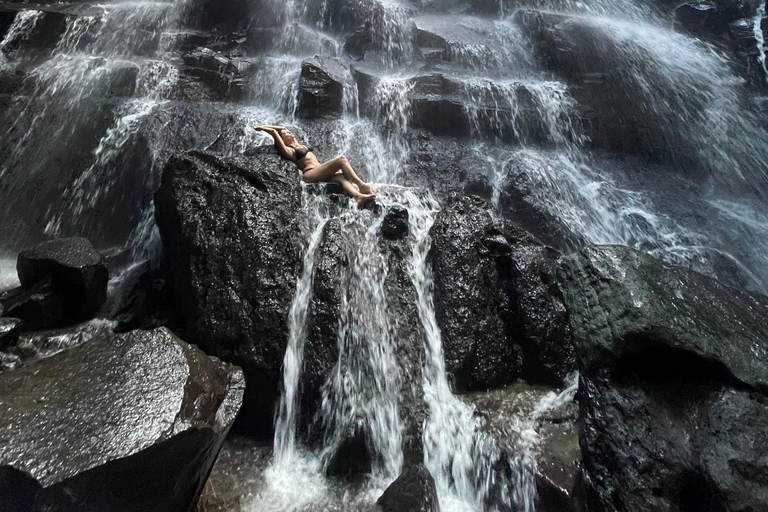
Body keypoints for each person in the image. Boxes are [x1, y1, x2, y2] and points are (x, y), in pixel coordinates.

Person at [253, 125, 377, 207]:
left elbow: (281, 128)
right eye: (286, 133)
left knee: (340, 177)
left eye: (289, 132)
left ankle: (358, 197)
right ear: (282, 139)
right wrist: (261, 128)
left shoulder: (299, 145)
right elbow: (276, 131)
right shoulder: (289, 150)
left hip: (320, 171)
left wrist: (282, 130)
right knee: (341, 160)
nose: (290, 133)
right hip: (310, 174)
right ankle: (362, 186)